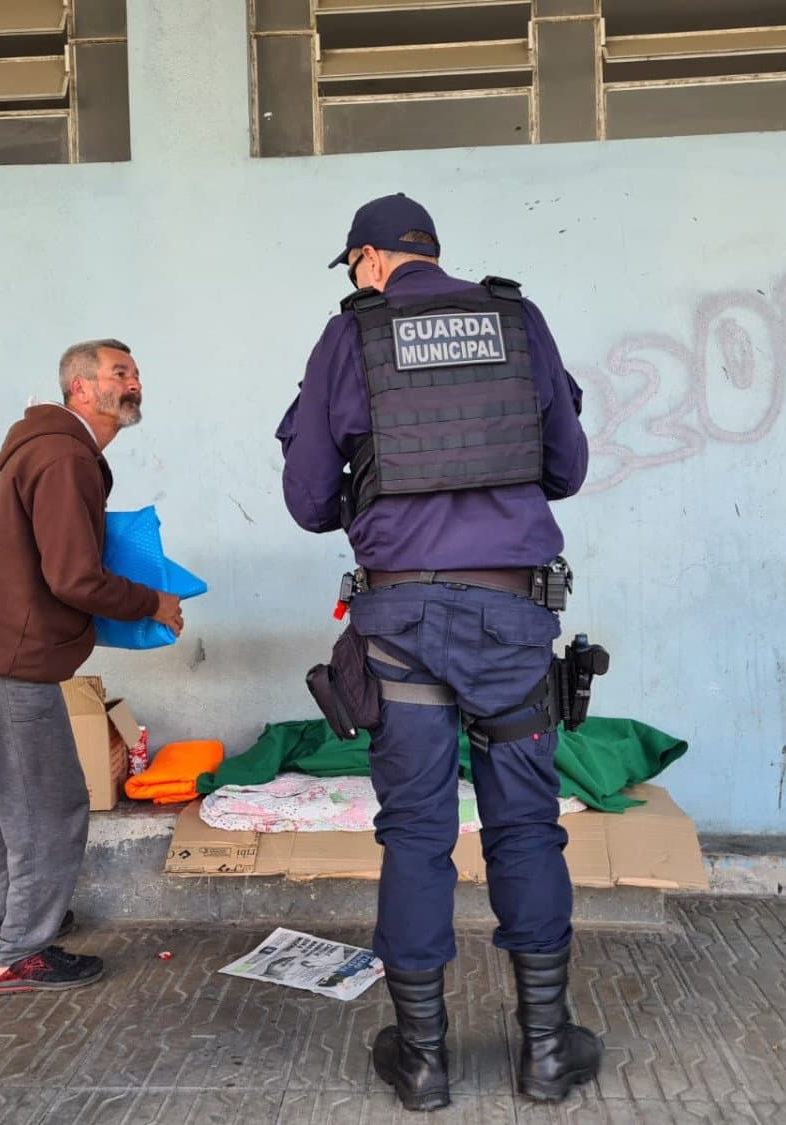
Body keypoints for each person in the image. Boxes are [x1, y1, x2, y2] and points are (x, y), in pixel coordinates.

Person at [276, 194, 599, 1109]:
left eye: (354, 266)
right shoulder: (517, 319)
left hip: (402, 624)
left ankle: (422, 1062)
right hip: (510, 619)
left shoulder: (352, 334)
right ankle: (547, 1051)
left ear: (371, 259)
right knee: (525, 827)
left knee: (417, 832)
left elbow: (308, 499)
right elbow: (567, 469)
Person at [0, 339, 183, 995]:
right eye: (118, 373)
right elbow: (74, 577)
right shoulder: (65, 455)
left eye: (135, 372)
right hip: (13, 655)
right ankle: (20, 952)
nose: (133, 382)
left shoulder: (57, 450)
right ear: (80, 388)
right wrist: (152, 601)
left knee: (10, 800)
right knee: (52, 804)